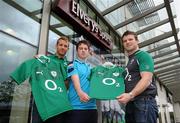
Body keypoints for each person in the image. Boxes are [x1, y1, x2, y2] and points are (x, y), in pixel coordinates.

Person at [11, 36, 72, 123]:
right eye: (61, 45)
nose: (63, 47)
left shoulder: (69, 65)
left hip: (59, 104)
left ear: (68, 48)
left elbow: (69, 85)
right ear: (56, 46)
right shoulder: (44, 60)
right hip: (42, 100)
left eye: (65, 46)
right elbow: (31, 65)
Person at [116, 30, 158, 123]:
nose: (127, 42)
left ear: (137, 41)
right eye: (125, 41)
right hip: (131, 103)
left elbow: (146, 79)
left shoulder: (143, 56)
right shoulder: (130, 61)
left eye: (130, 39)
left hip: (144, 102)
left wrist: (130, 95)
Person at [66, 40, 97, 123]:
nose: (83, 50)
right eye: (81, 48)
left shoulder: (91, 68)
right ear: (77, 51)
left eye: (85, 49)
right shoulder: (72, 64)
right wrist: (80, 93)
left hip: (92, 107)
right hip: (77, 107)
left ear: (88, 51)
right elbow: (75, 80)